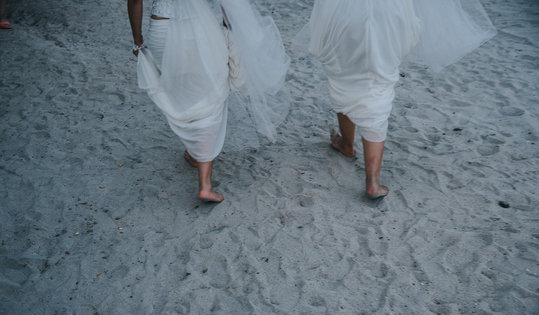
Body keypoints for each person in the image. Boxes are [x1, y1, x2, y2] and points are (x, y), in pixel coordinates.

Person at [307, 0, 496, 200]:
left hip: (343, 12)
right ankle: (373, 182)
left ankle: (347, 145)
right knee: (379, 85)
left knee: (343, 77)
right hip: (388, 12)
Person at [127, 0, 289, 203]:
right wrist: (229, 27)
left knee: (182, 91)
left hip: (163, 29)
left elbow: (135, 1)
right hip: (202, 28)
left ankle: (196, 152)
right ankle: (205, 184)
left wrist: (137, 39)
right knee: (209, 96)